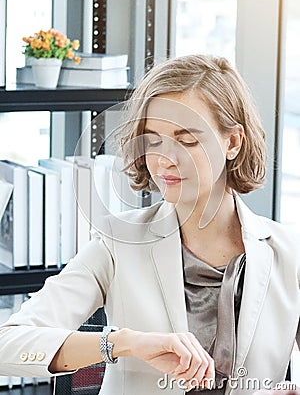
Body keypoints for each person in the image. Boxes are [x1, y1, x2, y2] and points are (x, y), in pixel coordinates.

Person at [0, 54, 299, 395]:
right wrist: (122, 343)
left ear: (232, 142)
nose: (164, 158)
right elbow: (7, 343)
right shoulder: (117, 243)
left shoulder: (290, 254)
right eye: (152, 139)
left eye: (187, 139)